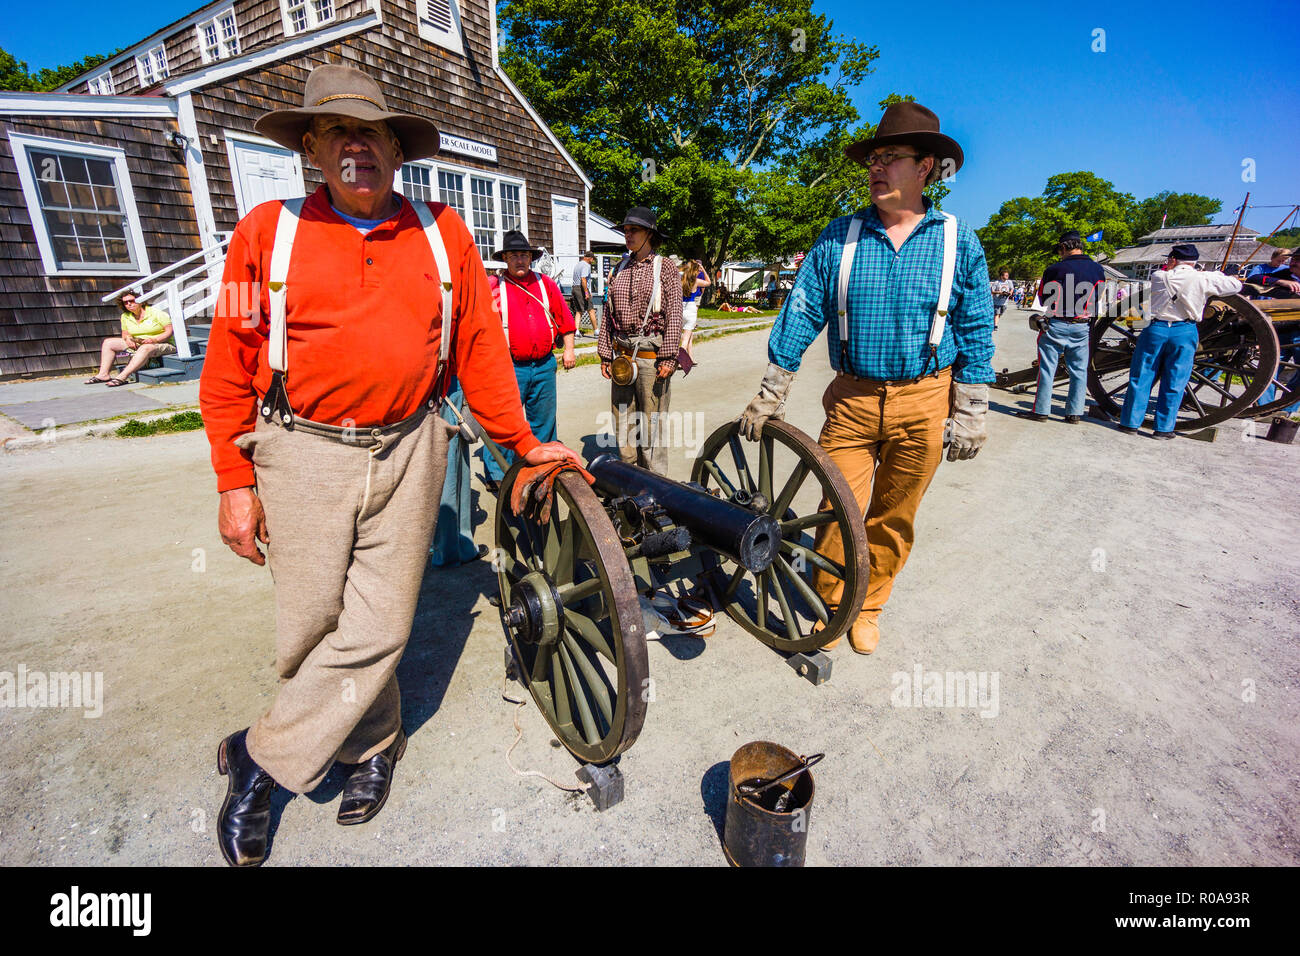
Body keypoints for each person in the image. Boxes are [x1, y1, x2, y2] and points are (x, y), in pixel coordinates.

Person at [198, 64, 577, 867]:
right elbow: (228, 358)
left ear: (397, 150)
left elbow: (479, 346)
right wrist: (235, 482)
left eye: (372, 133)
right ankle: (373, 744)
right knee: (309, 628)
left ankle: (259, 763)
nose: (356, 148)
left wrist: (521, 443)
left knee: (378, 625)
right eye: (338, 133)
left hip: (411, 444)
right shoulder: (267, 231)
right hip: (300, 450)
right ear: (312, 146)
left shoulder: (443, 232)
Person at [739, 101, 994, 655]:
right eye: (873, 159)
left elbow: (975, 326)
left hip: (925, 398)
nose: (876, 168)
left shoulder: (957, 241)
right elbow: (802, 308)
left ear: (927, 167)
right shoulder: (840, 237)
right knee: (838, 508)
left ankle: (870, 605)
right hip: (853, 399)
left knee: (893, 515)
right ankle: (836, 605)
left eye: (891, 158)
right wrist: (772, 391)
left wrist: (972, 409)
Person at [478, 229, 577, 491]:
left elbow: (566, 322)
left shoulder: (546, 285)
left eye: (523, 255)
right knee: (503, 422)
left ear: (530, 258)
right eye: (514, 255)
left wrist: (569, 350)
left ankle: (540, 468)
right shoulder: (494, 287)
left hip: (543, 364)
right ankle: (498, 472)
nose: (519, 260)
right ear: (506, 259)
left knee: (544, 421)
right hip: (508, 366)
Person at [1118, 243, 1243, 439]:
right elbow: (1236, 285)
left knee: (1141, 376)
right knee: (1176, 380)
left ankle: (1130, 423)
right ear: (1195, 262)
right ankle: (1164, 428)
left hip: (1156, 329)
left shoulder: (1160, 276)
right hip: (1184, 330)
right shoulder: (1205, 278)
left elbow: (1169, 274)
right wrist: (1219, 275)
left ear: (1173, 260)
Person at [597, 206, 683, 476]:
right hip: (622, 357)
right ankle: (629, 478)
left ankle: (656, 483)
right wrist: (605, 353)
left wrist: (669, 357)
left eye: (634, 230)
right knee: (624, 421)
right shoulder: (620, 267)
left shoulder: (665, 267)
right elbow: (607, 314)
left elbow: (675, 313)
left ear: (649, 234)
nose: (628, 234)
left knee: (651, 426)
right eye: (626, 229)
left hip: (651, 359)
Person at [1019, 230, 1105, 424]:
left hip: (1056, 323)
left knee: (1047, 368)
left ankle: (1041, 411)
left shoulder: (1054, 269)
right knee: (1079, 371)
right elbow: (1098, 296)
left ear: (1065, 247)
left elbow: (1043, 298)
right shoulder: (1097, 269)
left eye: (1060, 249)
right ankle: (1074, 413)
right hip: (1082, 325)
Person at [86, 291, 176, 385]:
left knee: (145, 347)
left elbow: (169, 332)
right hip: (138, 342)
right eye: (125, 302)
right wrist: (128, 339)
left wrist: (154, 340)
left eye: (131, 301)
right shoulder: (125, 316)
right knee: (108, 342)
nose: (129, 304)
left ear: (140, 301)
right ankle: (103, 374)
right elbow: (125, 334)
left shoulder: (156, 313)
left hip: (161, 343)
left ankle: (123, 376)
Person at [680, 258, 710, 359]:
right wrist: (704, 270)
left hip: (680, 308)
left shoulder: (681, 280)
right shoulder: (696, 281)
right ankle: (682, 358)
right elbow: (708, 282)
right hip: (691, 308)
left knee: (680, 336)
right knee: (686, 338)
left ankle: (683, 356)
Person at [570, 250, 598, 337]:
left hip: (575, 288)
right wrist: (586, 292)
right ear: (590, 258)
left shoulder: (578, 264)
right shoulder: (586, 265)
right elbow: (583, 279)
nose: (593, 261)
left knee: (579, 311)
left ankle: (576, 332)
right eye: (593, 259)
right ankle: (596, 331)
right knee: (591, 310)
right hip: (581, 288)